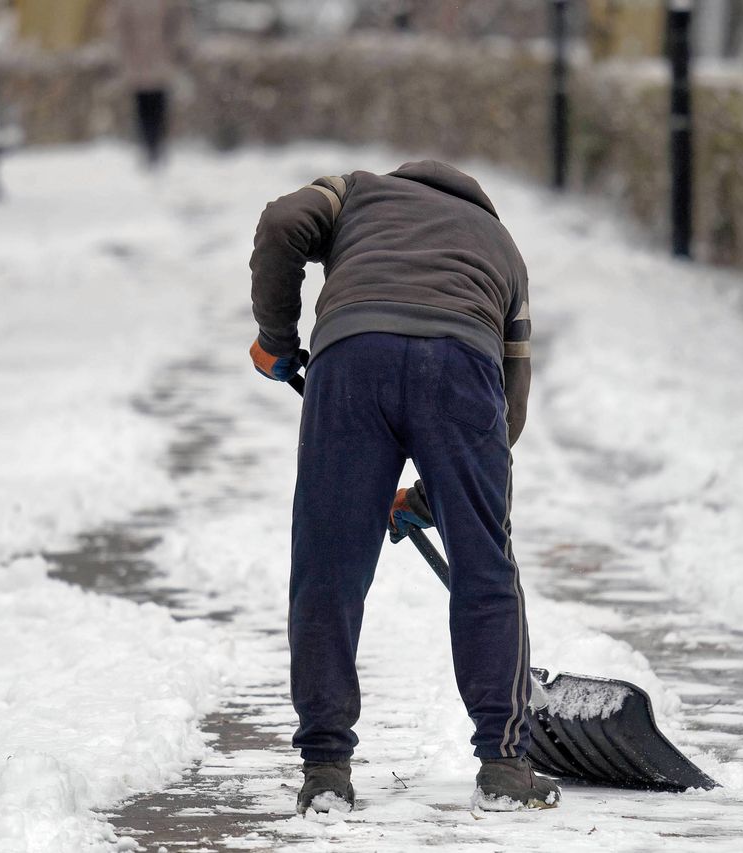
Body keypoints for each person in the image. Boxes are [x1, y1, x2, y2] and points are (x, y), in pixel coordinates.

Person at [247, 160, 559, 814]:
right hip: (462, 363)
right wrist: (435, 501)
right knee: (485, 565)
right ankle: (502, 764)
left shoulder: (355, 192)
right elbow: (509, 417)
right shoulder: (504, 249)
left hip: (352, 358)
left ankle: (326, 768)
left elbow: (281, 223)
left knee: (328, 565)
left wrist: (277, 338)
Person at [111, 0, 192, 168]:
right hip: (142, 63)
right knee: (146, 108)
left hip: (157, 61)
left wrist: (177, 48)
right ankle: (150, 148)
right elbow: (119, 29)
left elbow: (179, 23)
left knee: (155, 107)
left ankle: (154, 148)